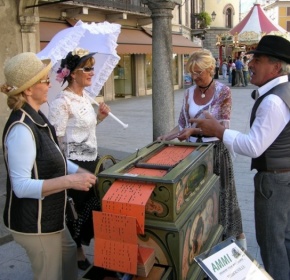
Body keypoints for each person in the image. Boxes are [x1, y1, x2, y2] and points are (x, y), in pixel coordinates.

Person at [191, 35, 290, 280]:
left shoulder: (274, 100)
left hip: (275, 183)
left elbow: (254, 146)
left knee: (272, 245)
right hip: (284, 177)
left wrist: (218, 130)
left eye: (257, 59)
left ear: (275, 66)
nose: (250, 64)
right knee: (285, 240)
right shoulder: (283, 90)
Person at [0, 52, 97, 280]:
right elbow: (21, 187)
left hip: (51, 218)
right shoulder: (21, 129)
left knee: (69, 251)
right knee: (49, 274)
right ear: (28, 89)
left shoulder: (38, 118)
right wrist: (70, 181)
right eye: (44, 80)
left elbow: (57, 159)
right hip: (35, 223)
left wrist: (79, 171)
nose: (49, 83)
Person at [157, 49, 246, 248]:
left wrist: (193, 132)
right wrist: (166, 136)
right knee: (200, 203)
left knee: (225, 199)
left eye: (199, 72)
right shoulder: (188, 93)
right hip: (194, 154)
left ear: (211, 70)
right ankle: (203, 246)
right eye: (192, 72)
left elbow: (222, 127)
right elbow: (182, 124)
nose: (194, 77)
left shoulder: (223, 91)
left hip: (216, 152)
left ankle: (238, 247)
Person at [48, 48, 111, 270]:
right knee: (75, 211)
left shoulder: (85, 97)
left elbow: (85, 129)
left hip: (92, 160)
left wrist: (99, 118)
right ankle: (77, 251)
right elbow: (55, 143)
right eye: (87, 68)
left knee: (92, 209)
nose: (92, 72)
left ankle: (84, 247)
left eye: (93, 67)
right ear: (72, 73)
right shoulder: (61, 102)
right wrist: (70, 170)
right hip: (74, 165)